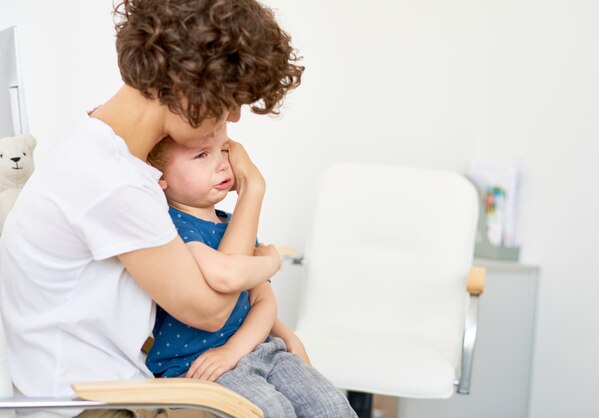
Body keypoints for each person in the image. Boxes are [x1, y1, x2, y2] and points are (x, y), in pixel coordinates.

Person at [0, 0, 306, 417]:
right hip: (91, 407)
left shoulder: (108, 152)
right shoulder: (110, 180)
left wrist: (275, 327)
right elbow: (211, 312)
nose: (234, 115)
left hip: (121, 387)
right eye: (229, 98)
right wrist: (252, 189)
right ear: (183, 84)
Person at [144, 127, 357, 418]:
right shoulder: (171, 227)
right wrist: (272, 261)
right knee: (271, 410)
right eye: (202, 155)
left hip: (260, 350)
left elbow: (263, 302)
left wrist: (240, 349)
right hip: (199, 364)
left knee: (330, 405)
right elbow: (224, 273)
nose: (221, 163)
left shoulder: (236, 226)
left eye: (223, 151)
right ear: (160, 177)